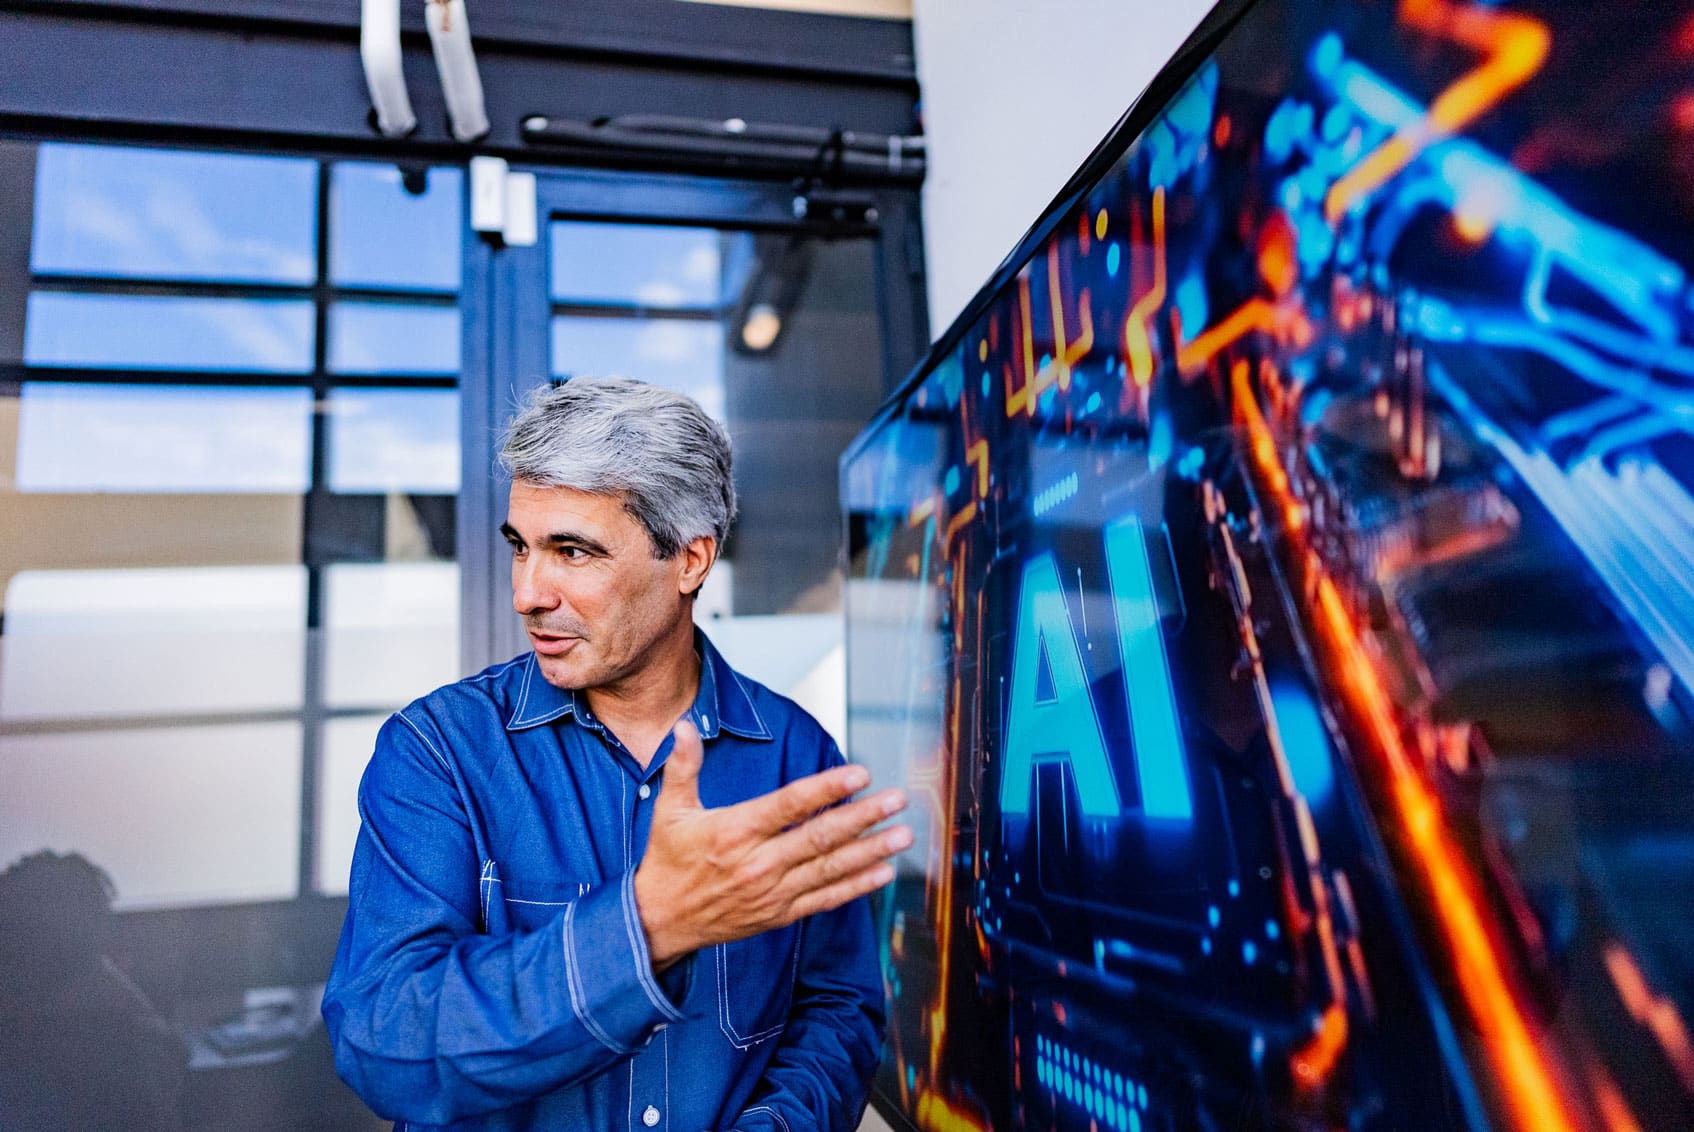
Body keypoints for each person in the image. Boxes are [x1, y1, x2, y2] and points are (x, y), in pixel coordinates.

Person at [322, 376, 910, 1131]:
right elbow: (384, 1041)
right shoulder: (439, 753)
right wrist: (649, 925)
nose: (528, 593)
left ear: (690, 560)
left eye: (572, 551)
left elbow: (837, 1008)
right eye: (521, 547)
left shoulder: (795, 757)